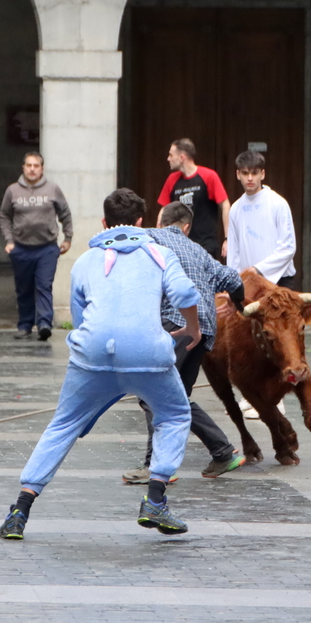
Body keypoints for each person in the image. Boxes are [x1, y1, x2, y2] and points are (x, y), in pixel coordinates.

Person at [0, 189, 202, 541]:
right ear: (141, 222)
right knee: (174, 415)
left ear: (104, 222)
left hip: (92, 355)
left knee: (63, 425)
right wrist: (193, 328)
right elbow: (184, 293)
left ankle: (20, 510)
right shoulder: (160, 253)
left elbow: (80, 318)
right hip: (148, 355)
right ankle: (155, 499)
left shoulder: (85, 261)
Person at [121, 202, 247, 484]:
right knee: (176, 399)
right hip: (204, 330)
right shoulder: (199, 251)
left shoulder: (152, 236)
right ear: (187, 227)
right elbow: (232, 278)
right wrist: (238, 304)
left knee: (152, 392)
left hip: (175, 324)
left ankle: (156, 467)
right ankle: (222, 452)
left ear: (160, 221)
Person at [226, 149, 297, 418]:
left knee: (277, 341)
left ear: (263, 174)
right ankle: (252, 396)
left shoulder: (278, 204)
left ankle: (276, 399)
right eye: (245, 173)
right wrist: (233, 283)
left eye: (254, 173)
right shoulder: (236, 209)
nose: (250, 179)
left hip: (277, 280)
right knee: (251, 342)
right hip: (249, 285)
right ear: (238, 175)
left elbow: (288, 247)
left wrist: (259, 270)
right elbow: (234, 252)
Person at [0, 151, 73, 341]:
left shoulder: (53, 189)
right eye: (29, 165)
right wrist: (9, 241)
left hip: (46, 248)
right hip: (21, 248)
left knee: (43, 286)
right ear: (23, 167)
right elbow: (4, 216)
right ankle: (25, 325)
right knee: (23, 288)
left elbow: (65, 213)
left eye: (36, 166)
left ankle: (44, 324)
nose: (32, 169)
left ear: (42, 169)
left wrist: (67, 238)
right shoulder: (12, 191)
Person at [157, 138, 230, 259]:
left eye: (171, 155)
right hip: (179, 247)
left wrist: (227, 239)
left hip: (205, 246)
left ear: (182, 157)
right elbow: (164, 209)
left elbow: (225, 205)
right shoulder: (172, 179)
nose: (168, 159)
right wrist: (159, 236)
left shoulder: (208, 176)